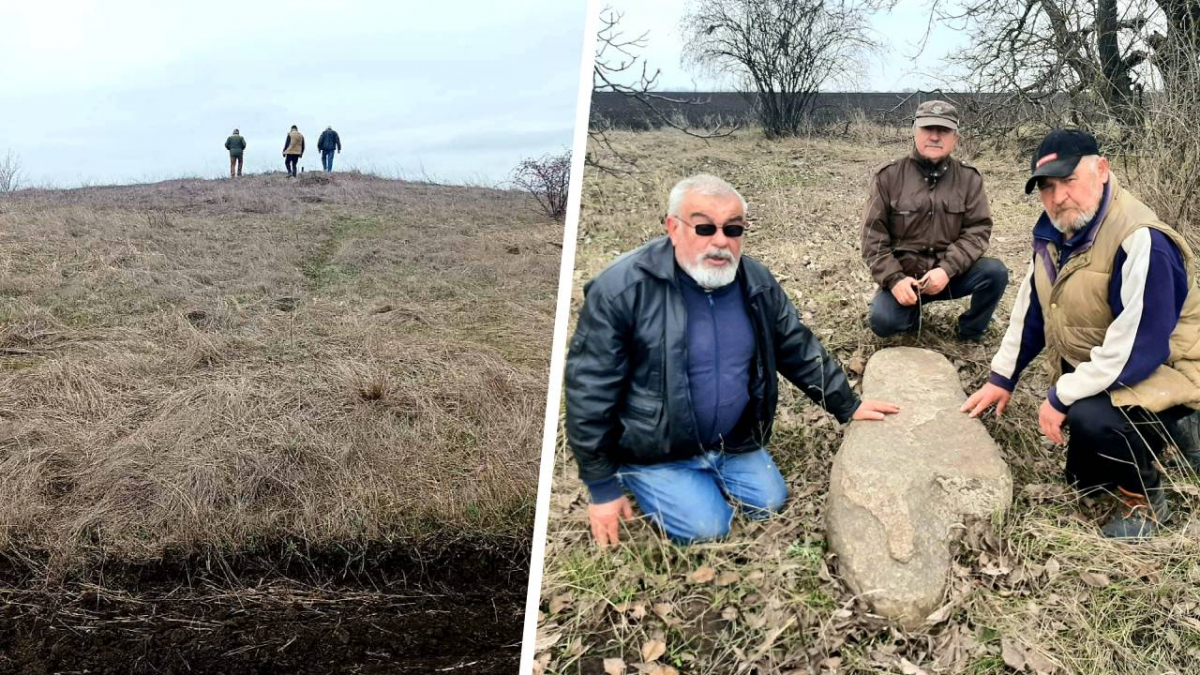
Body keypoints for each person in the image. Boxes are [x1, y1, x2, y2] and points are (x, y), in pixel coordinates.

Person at [566, 174, 899, 547]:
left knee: (770, 503)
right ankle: (638, 475)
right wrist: (601, 486)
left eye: (733, 228)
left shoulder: (754, 281)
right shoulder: (622, 289)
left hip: (731, 442)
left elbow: (795, 346)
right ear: (673, 227)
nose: (721, 241)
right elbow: (589, 390)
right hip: (657, 450)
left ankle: (710, 471)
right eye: (704, 227)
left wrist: (847, 404)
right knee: (709, 529)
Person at [962, 129, 1200, 540]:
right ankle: (1159, 438)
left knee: (1091, 417)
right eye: (1047, 187)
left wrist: (1060, 396)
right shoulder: (1056, 235)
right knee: (1083, 480)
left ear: (1102, 170)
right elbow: (1035, 307)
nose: (1058, 198)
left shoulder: (1143, 240)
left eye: (1069, 181)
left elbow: (1137, 349)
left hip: (1168, 366)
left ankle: (1147, 497)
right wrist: (1002, 378)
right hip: (1114, 363)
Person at [861, 99, 1009, 341]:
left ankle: (971, 331)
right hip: (906, 278)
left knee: (995, 272)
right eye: (928, 129)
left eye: (943, 131)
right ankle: (910, 311)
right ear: (914, 132)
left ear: (955, 138)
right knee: (883, 323)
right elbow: (873, 239)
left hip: (950, 276)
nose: (935, 137)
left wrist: (947, 269)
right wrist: (895, 280)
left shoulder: (969, 179)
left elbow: (978, 231)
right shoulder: (888, 176)